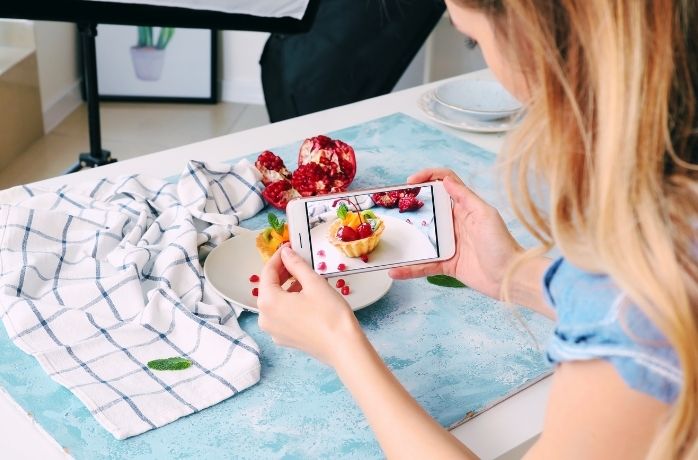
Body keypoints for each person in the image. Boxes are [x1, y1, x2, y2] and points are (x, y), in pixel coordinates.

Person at [257, 0, 698, 458]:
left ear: (538, 33)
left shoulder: (655, 271)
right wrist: (511, 275)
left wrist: (340, 343)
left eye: (473, 38)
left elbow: (639, 320)